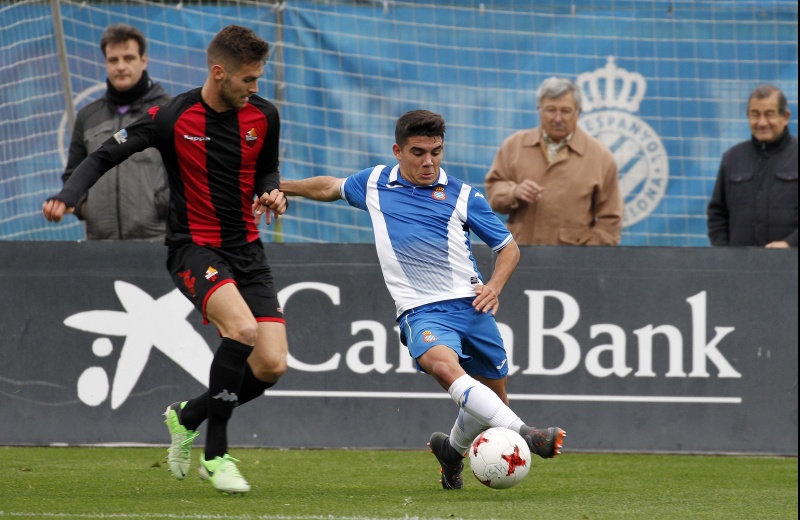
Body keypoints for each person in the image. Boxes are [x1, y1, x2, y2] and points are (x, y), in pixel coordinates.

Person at [43, 25, 288, 494]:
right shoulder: (172, 116)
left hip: (248, 251)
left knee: (271, 364)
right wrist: (68, 195)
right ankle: (215, 457)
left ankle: (188, 415)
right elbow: (102, 156)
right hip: (193, 249)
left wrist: (272, 192)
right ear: (219, 73)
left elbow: (267, 170)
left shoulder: (264, 115)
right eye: (248, 79)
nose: (255, 87)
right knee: (242, 330)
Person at [278, 110, 565, 491]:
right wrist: (279, 186)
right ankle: (527, 433)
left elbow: (508, 247)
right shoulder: (375, 182)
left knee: (492, 401)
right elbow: (328, 187)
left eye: (436, 152)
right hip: (422, 310)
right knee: (445, 367)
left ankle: (451, 452)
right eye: (418, 153)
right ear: (397, 151)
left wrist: (494, 285)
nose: (428, 161)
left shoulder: (463, 195)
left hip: (471, 307)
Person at [63, 24, 170, 240]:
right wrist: (86, 208)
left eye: (128, 58)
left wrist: (160, 207)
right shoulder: (87, 116)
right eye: (113, 60)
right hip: (101, 247)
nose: (120, 67)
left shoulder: (168, 111)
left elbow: (188, 174)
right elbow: (72, 174)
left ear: (143, 61)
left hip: (158, 242)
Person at [484, 77, 622, 245]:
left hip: (572, 258)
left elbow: (610, 219)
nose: (557, 118)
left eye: (565, 111)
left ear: (578, 113)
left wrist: (587, 255)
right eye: (551, 110)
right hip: (520, 254)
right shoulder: (514, 146)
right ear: (539, 111)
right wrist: (514, 192)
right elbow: (494, 192)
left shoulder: (600, 157)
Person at [707, 84, 798, 248]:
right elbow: (717, 214)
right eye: (755, 114)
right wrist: (724, 253)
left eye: (769, 114)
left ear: (785, 117)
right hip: (739, 263)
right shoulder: (731, 158)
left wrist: (790, 244)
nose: (762, 122)